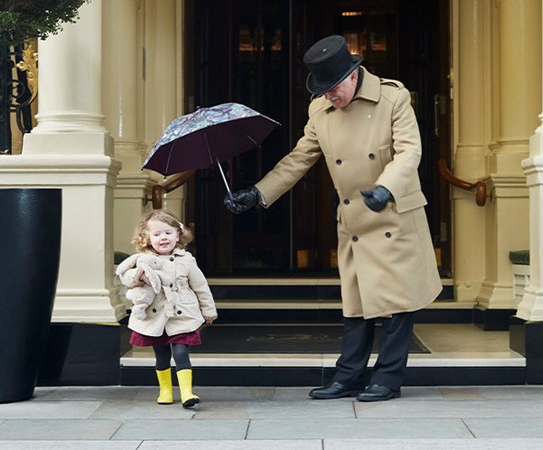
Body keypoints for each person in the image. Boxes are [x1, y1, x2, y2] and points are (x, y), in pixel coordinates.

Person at [224, 35, 442, 402]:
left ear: (353, 75)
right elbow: (299, 158)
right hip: (355, 219)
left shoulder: (393, 98)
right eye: (321, 90)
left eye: (333, 88)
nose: (328, 96)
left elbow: (410, 152)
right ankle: (350, 376)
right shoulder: (319, 111)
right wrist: (259, 193)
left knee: (398, 303)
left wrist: (386, 187)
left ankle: (387, 378)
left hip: (392, 214)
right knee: (355, 303)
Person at [116, 209, 217, 408]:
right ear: (146, 238)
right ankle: (165, 390)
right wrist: (140, 277)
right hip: (156, 317)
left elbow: (200, 285)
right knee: (162, 355)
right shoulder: (142, 259)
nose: (163, 238)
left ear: (178, 235)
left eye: (168, 233)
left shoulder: (186, 259)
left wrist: (208, 310)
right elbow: (125, 277)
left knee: (180, 353)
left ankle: (187, 392)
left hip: (182, 314)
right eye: (157, 234)